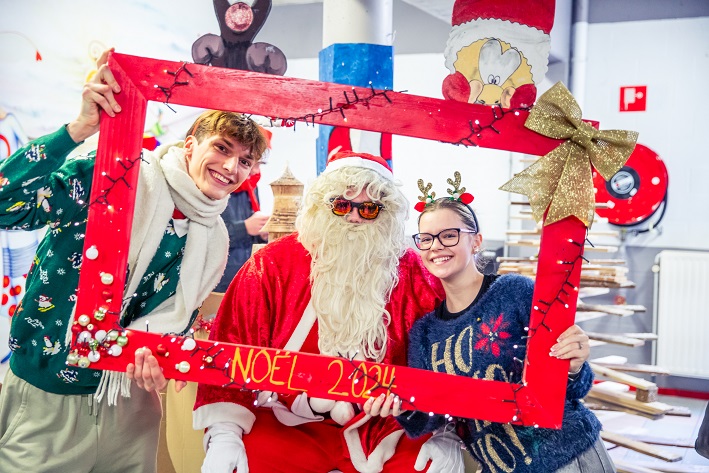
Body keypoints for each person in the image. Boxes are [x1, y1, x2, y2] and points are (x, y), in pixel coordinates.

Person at [0, 49, 268, 473]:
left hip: (132, 406)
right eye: (222, 147)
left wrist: (166, 359)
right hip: (48, 391)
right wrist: (77, 130)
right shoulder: (114, 176)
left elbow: (175, 327)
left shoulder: (212, 239)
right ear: (191, 143)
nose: (231, 166)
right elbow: (6, 203)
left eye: (246, 161)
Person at [193, 151, 467, 473]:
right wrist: (225, 431)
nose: (353, 217)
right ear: (322, 206)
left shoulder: (414, 274)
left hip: (385, 424)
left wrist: (447, 431)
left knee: (430, 467)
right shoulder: (272, 265)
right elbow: (232, 344)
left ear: (386, 212)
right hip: (289, 421)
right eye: (341, 205)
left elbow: (447, 357)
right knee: (246, 461)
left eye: (368, 208)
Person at [366, 176, 616, 473]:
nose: (436, 246)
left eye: (449, 235)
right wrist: (399, 406)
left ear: (477, 241)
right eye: (426, 238)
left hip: (569, 458)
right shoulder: (425, 333)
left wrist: (573, 366)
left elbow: (576, 388)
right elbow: (426, 417)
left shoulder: (515, 292)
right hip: (501, 467)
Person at [214, 126, 272, 293]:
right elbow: (209, 232)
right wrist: (246, 228)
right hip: (220, 278)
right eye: (251, 163)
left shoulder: (252, 186)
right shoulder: (219, 182)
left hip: (245, 275)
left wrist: (262, 233)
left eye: (259, 164)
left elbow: (251, 231)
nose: (256, 171)